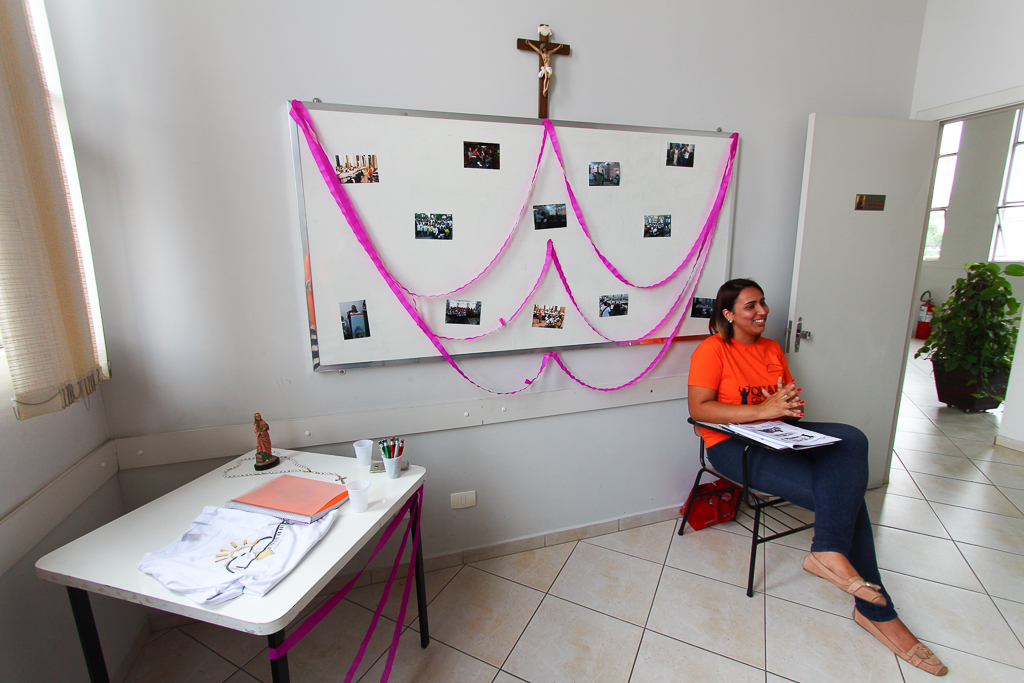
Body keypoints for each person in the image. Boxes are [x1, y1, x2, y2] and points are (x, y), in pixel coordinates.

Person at [686, 278, 947, 677]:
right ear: (728, 314)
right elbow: (700, 409)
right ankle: (877, 612)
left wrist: (787, 408)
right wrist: (762, 411)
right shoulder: (712, 350)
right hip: (732, 446)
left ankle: (828, 552)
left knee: (852, 439)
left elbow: (782, 401)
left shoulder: (772, 348)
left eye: (763, 303)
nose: (762, 311)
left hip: (776, 434)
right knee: (847, 497)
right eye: (750, 306)